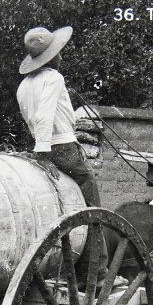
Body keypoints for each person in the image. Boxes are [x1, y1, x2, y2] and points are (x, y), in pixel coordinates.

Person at [17, 26, 125, 288]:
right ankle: (97, 272)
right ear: (49, 58)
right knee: (93, 204)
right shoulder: (53, 78)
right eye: (58, 53)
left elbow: (39, 118)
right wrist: (43, 152)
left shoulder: (24, 85)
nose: (61, 57)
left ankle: (71, 266)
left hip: (45, 144)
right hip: (62, 148)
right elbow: (44, 116)